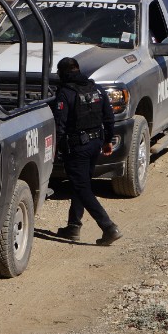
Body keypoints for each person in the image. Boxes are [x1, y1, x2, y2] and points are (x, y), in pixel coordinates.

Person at [53, 57, 122, 246]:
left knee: (82, 187)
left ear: (63, 73)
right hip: (96, 144)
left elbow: (60, 125)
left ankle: (108, 227)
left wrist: (54, 149)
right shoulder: (96, 89)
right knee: (82, 183)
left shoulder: (65, 93)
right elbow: (109, 117)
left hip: (78, 147)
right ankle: (73, 226)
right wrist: (108, 140)